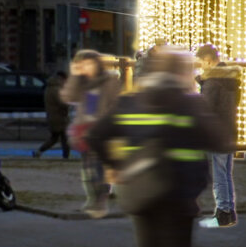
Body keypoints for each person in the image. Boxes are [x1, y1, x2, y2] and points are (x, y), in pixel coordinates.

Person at [88, 49, 228, 247]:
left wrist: (115, 165)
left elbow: (96, 136)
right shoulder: (190, 104)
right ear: (181, 73)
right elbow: (220, 141)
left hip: (142, 191)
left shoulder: (129, 103)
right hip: (181, 195)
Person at [62, 49, 124, 217]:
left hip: (102, 129)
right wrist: (74, 76)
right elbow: (67, 96)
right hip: (84, 129)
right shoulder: (81, 83)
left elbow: (115, 105)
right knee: (87, 168)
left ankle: (99, 202)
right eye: (82, 65)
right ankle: (93, 200)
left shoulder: (109, 81)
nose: (86, 68)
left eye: (88, 63)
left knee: (98, 167)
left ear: (97, 64)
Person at [195, 43, 241, 228]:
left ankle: (222, 213)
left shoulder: (212, 82)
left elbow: (204, 109)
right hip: (230, 130)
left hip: (216, 133)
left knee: (220, 176)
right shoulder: (232, 80)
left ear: (208, 60)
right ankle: (229, 212)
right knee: (226, 174)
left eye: (201, 63)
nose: (201, 67)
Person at [33, 69, 71, 159]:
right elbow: (62, 103)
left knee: (55, 138)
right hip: (60, 117)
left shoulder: (49, 87)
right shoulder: (56, 89)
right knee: (65, 138)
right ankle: (66, 156)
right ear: (62, 78)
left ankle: (39, 151)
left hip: (53, 116)